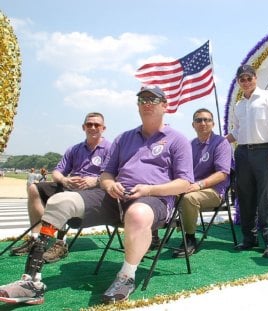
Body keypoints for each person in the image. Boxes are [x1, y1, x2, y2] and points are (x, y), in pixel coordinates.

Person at [0, 85, 194, 305]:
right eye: (142, 99)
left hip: (154, 200)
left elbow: (184, 182)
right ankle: (32, 282)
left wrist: (149, 189)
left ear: (165, 105)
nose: (146, 103)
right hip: (115, 197)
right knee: (59, 201)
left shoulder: (178, 140)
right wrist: (109, 184)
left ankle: (126, 276)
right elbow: (107, 173)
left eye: (153, 99)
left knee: (138, 214)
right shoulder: (124, 138)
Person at [10, 112, 111, 264]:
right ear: (83, 127)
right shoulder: (74, 149)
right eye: (89, 124)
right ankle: (36, 239)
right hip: (71, 186)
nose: (93, 127)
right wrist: (64, 179)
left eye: (97, 125)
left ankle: (60, 243)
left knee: (62, 199)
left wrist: (95, 180)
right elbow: (57, 172)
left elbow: (116, 175)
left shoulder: (111, 148)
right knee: (34, 188)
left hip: (94, 191)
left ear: (104, 128)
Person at [226, 64, 268, 258]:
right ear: (238, 81)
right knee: (245, 197)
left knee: (266, 198)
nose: (245, 82)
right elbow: (236, 131)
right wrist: (219, 141)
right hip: (242, 153)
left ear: (255, 78)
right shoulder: (238, 105)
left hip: (266, 152)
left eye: (248, 78)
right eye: (241, 79)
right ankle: (249, 239)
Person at [172, 108, 232, 258]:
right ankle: (154, 237)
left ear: (213, 124)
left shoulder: (221, 143)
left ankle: (190, 238)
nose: (203, 123)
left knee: (188, 198)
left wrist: (198, 185)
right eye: (199, 120)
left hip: (214, 191)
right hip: (191, 187)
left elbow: (222, 174)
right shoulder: (189, 145)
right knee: (156, 193)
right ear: (193, 124)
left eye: (207, 120)